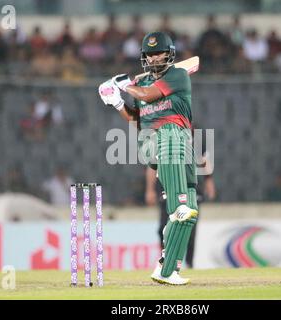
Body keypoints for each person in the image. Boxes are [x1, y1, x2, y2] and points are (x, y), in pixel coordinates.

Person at [98, 31, 198, 285]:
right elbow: (137, 120)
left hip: (180, 144)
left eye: (159, 53)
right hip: (158, 140)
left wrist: (121, 86)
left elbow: (147, 97)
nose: (154, 59)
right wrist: (118, 103)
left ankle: (167, 270)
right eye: (150, 55)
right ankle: (176, 214)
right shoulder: (140, 85)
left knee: (190, 212)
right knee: (180, 208)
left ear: (169, 54)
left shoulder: (178, 75)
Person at [145, 134, 215, 269]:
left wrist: (209, 180)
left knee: (190, 227)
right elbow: (152, 165)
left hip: (191, 188)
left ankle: (189, 263)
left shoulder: (195, 132)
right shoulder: (160, 133)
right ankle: (166, 260)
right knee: (163, 228)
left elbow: (203, 159)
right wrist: (150, 189)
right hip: (167, 188)